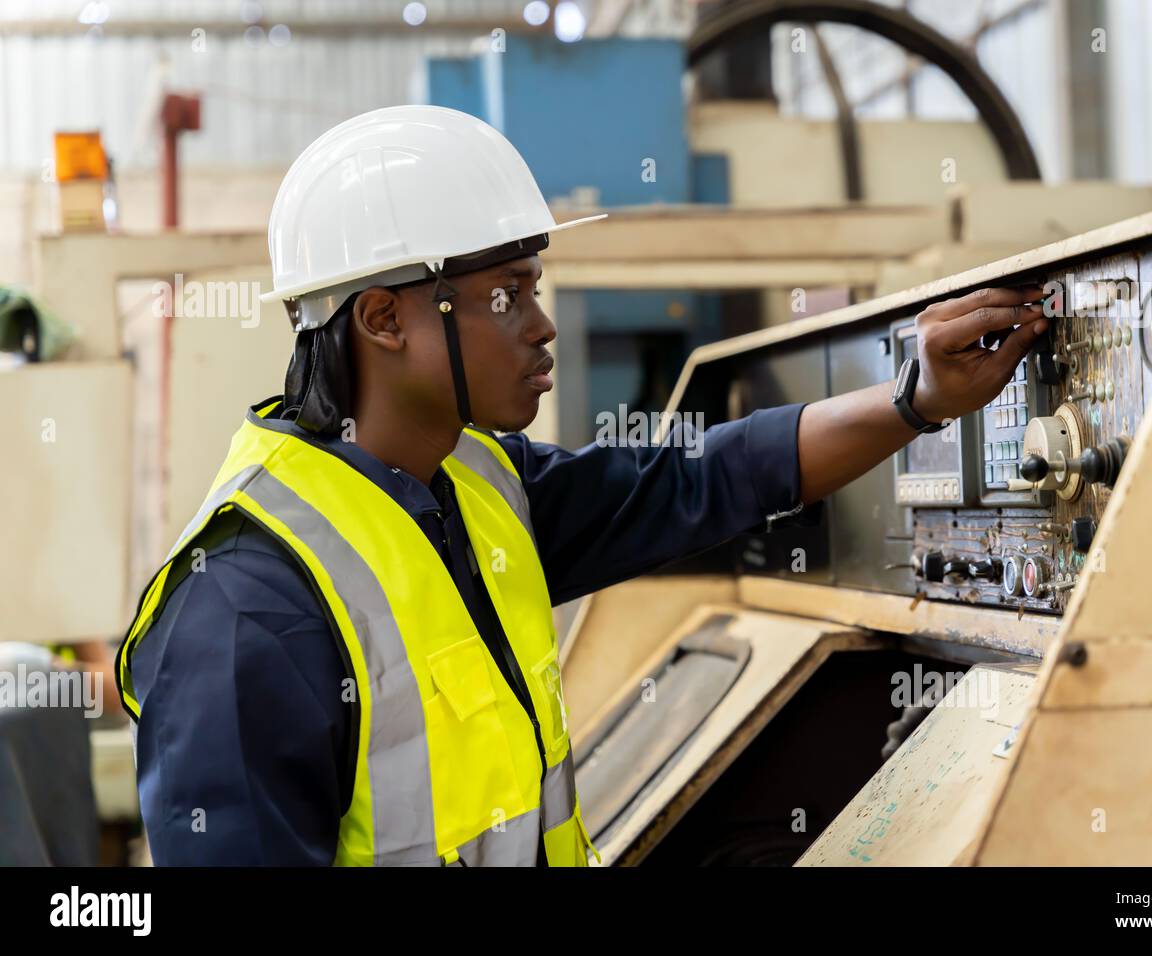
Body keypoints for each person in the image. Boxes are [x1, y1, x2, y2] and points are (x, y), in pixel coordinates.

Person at [114, 105, 1047, 867]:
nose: (542, 326)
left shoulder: (473, 486)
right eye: (506, 296)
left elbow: (698, 480)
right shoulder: (244, 605)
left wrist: (916, 401)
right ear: (384, 318)